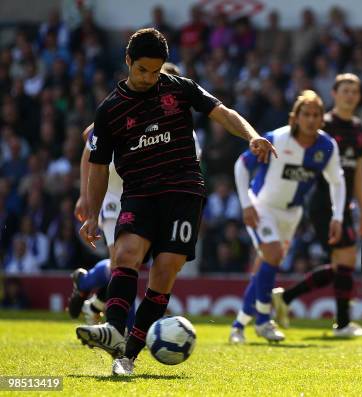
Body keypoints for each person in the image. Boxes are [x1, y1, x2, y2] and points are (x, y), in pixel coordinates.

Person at [75, 28, 275, 375]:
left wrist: (252, 135)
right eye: (142, 71)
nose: (149, 78)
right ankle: (115, 329)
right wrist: (92, 214)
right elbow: (97, 167)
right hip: (138, 193)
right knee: (124, 255)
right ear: (128, 62)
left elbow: (222, 111)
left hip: (183, 192)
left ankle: (128, 356)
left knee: (164, 272)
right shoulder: (110, 111)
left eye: (155, 71)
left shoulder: (179, 89)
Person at [68, 63, 199, 328]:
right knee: (123, 262)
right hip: (115, 192)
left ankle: (90, 286)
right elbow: (90, 146)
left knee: (129, 263)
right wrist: (85, 195)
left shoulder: (185, 131)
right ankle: (123, 332)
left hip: (148, 196)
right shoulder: (123, 111)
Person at [229, 90, 345, 344]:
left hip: (291, 214)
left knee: (265, 266)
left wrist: (337, 216)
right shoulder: (277, 139)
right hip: (263, 206)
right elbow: (241, 164)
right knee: (273, 254)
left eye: (316, 115)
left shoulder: (326, 146)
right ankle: (262, 321)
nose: (311, 120)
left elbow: (337, 181)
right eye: (306, 114)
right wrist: (246, 204)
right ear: (296, 117)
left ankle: (238, 326)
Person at [271, 74, 362, 337]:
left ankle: (287, 298)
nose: (350, 95)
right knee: (346, 258)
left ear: (359, 97)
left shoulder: (359, 129)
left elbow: (358, 170)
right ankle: (342, 324)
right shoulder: (321, 124)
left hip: (343, 204)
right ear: (335, 94)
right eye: (345, 90)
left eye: (354, 91)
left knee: (341, 265)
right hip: (321, 201)